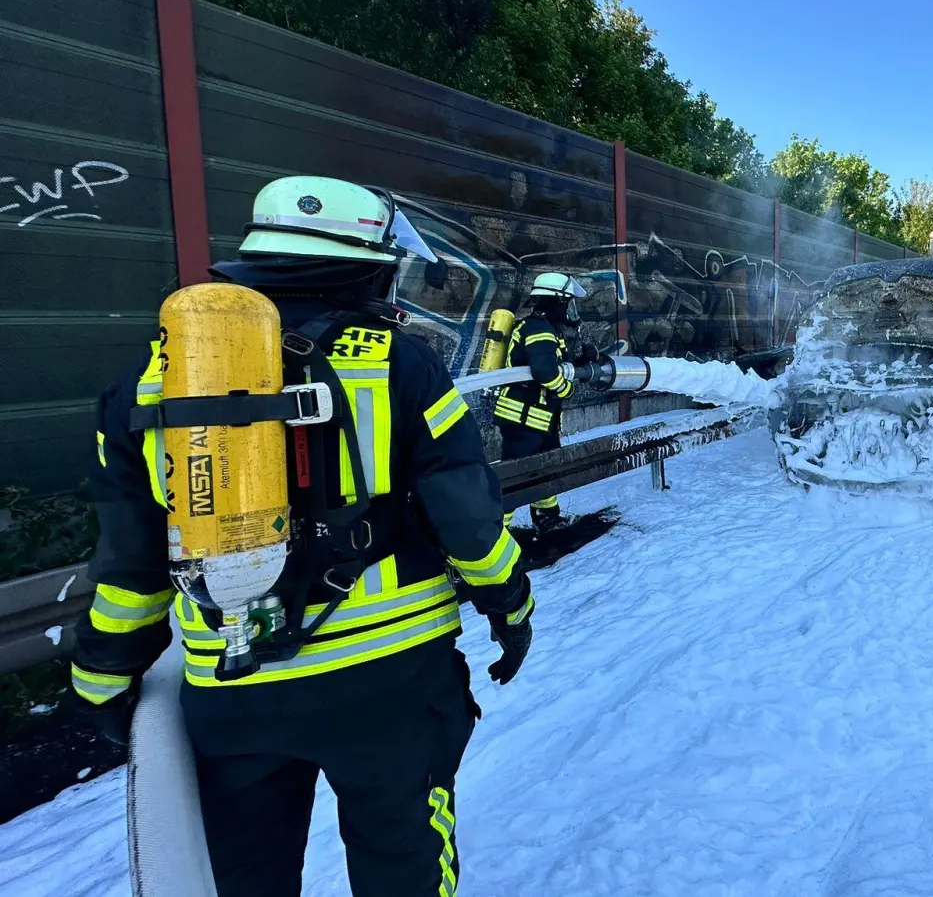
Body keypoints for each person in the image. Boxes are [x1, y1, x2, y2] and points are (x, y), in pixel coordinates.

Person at [68, 176, 533, 897]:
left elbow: (130, 561)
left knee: (249, 880)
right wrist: (510, 605)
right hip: (394, 682)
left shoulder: (151, 379)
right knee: (405, 863)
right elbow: (468, 517)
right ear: (366, 262)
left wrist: (103, 677)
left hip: (234, 688)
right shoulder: (400, 362)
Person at [491, 272, 596, 534]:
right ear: (556, 302)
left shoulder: (544, 328)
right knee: (514, 478)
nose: (569, 309)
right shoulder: (539, 329)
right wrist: (566, 389)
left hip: (539, 418)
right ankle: (494, 535)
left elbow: (553, 363)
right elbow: (544, 370)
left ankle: (547, 518)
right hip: (522, 419)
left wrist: (581, 362)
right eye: (567, 303)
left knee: (544, 470)